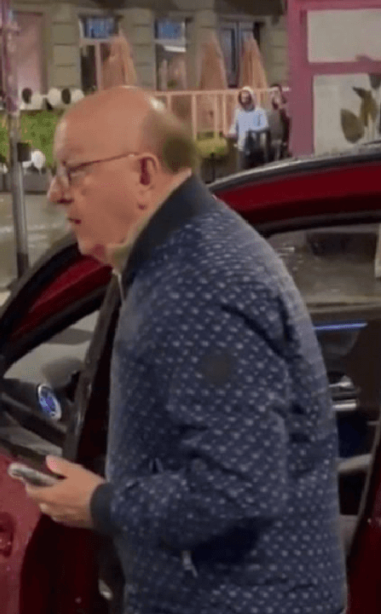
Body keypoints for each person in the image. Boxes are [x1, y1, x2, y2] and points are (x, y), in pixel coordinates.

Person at [26, 87, 345, 614]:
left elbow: (237, 488)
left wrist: (100, 503)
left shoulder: (198, 284)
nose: (55, 193)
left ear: (145, 174)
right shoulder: (190, 254)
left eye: (73, 170)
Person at [227, 86, 269, 170]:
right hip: (242, 147)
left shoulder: (259, 111)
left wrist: (253, 130)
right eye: (243, 97)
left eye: (247, 97)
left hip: (256, 148)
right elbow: (234, 126)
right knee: (242, 171)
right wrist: (231, 133)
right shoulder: (238, 112)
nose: (245, 99)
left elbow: (265, 126)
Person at [266, 84, 291, 162]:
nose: (273, 96)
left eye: (276, 93)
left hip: (286, 145)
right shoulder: (268, 112)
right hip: (272, 146)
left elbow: (289, 123)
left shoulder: (288, 107)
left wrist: (280, 105)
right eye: (271, 93)